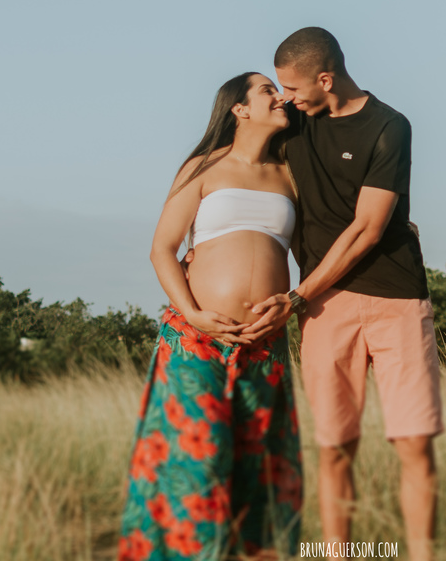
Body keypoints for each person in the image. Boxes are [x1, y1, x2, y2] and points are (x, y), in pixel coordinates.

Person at [241, 28, 442, 561]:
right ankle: (338, 556)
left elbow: (368, 229)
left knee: (414, 443)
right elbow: (238, 168)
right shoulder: (292, 124)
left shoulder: (390, 126)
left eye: (292, 87)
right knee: (334, 448)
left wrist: (297, 297)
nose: (285, 97)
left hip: (394, 297)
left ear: (325, 78)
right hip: (324, 309)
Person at [118, 72, 303, 561]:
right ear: (239, 109)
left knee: (257, 465)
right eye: (267, 90)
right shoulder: (203, 167)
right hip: (195, 339)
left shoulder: (291, 174)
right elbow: (162, 249)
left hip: (264, 344)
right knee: (196, 464)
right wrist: (194, 314)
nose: (280, 97)